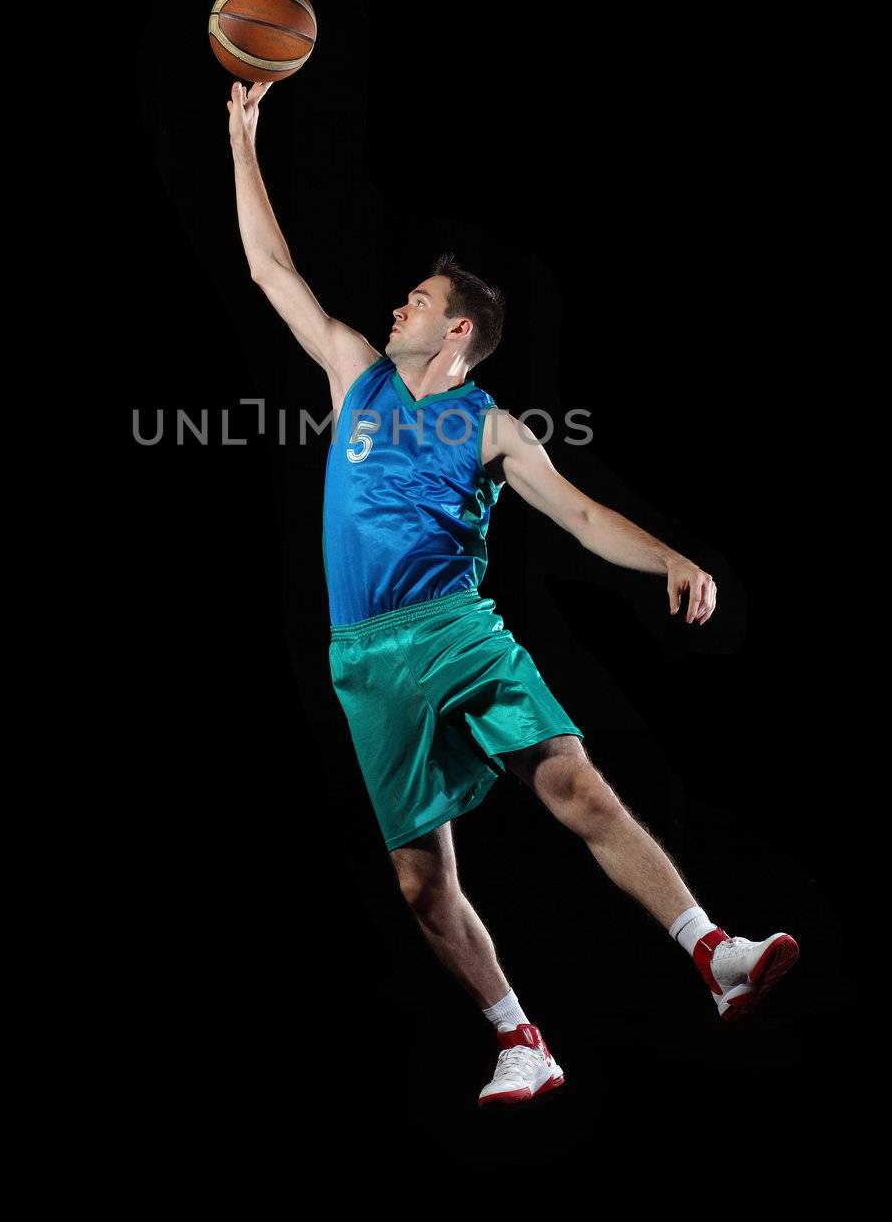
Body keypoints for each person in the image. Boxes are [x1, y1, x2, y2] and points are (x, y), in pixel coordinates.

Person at [227, 79, 799, 1109]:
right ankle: (518, 1037)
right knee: (418, 884)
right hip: (364, 654)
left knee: (574, 782)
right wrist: (240, 139)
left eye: (416, 299)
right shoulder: (354, 372)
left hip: (455, 628)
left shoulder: (492, 428)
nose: (396, 302)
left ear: (453, 335)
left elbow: (580, 517)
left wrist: (668, 555)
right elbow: (272, 270)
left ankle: (712, 949)